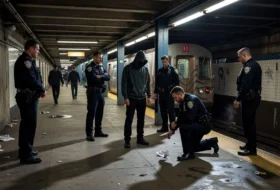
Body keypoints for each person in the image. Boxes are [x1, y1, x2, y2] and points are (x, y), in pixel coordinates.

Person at [14, 39, 46, 164]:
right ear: (30, 49)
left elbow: (35, 77)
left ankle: (26, 150)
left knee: (27, 125)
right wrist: (42, 89)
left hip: (29, 97)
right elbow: (31, 79)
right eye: (37, 49)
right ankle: (26, 156)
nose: (38, 51)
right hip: (27, 98)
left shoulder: (28, 61)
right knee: (29, 125)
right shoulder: (26, 61)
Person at [168, 86, 219, 161]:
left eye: (175, 97)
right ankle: (212, 142)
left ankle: (188, 153)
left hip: (204, 125)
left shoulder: (190, 100)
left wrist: (176, 123)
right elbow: (181, 116)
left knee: (183, 127)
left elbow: (189, 118)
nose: (175, 100)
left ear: (181, 95)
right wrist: (172, 129)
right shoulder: (183, 101)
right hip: (197, 124)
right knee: (193, 147)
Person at [233, 47, 262, 156]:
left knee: (249, 124)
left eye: (239, 57)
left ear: (245, 56)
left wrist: (238, 99)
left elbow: (245, 85)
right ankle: (249, 144)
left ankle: (252, 149)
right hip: (250, 98)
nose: (238, 59)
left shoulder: (249, 66)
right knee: (247, 123)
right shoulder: (250, 65)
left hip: (250, 99)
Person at [121, 50, 152, 148]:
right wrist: (125, 97)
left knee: (141, 120)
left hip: (142, 98)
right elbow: (124, 83)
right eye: (140, 61)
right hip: (131, 98)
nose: (141, 63)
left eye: (143, 61)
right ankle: (127, 139)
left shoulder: (145, 69)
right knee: (129, 119)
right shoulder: (128, 69)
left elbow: (147, 83)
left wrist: (149, 95)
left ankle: (140, 138)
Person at [85, 51, 110, 141]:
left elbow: (108, 77)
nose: (100, 59)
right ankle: (89, 133)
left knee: (100, 112)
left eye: (101, 58)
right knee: (91, 112)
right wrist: (102, 76)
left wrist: (100, 76)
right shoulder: (89, 67)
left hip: (100, 93)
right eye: (99, 58)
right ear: (94, 57)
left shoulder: (101, 67)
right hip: (93, 93)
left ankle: (98, 131)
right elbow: (93, 78)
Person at [154, 55, 179, 133]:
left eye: (165, 62)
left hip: (169, 94)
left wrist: (171, 88)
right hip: (162, 94)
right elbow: (157, 83)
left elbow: (177, 82)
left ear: (168, 61)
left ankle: (172, 128)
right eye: (163, 62)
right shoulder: (159, 71)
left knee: (171, 112)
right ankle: (164, 127)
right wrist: (155, 92)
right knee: (163, 111)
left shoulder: (173, 70)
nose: (164, 63)